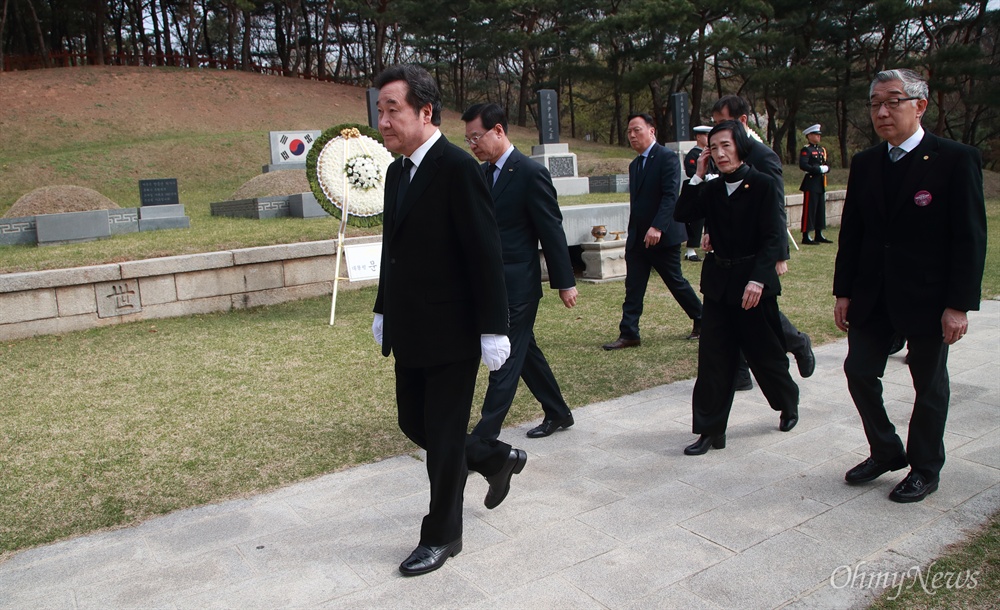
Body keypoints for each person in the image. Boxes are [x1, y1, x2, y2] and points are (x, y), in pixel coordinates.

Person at [371, 64, 521, 576]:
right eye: (380, 110)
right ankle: (491, 458)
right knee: (414, 422)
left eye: (393, 110)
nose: (384, 121)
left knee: (440, 440)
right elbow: (394, 249)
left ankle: (442, 536)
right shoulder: (397, 171)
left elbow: (484, 252)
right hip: (410, 327)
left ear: (425, 111)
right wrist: (382, 307)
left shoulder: (457, 168)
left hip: (453, 332)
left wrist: (494, 327)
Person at [834, 68, 986, 503]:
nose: (882, 111)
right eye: (875, 103)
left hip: (928, 295)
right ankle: (886, 451)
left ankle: (924, 467)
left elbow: (970, 238)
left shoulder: (955, 159)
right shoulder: (866, 163)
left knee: (929, 383)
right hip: (873, 293)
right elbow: (854, 233)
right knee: (859, 371)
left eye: (893, 101)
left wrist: (958, 305)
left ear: (919, 106)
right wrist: (844, 291)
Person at [675, 120, 800, 455]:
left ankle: (788, 403)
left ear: (741, 146)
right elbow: (683, 212)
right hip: (719, 286)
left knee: (765, 355)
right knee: (713, 360)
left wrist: (758, 279)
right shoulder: (713, 188)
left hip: (753, 284)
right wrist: (698, 174)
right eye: (713, 148)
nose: (719, 153)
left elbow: (773, 236)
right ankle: (710, 430)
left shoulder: (761, 184)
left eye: (726, 145)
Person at [460, 102, 578, 442]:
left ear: (499, 130)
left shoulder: (529, 172)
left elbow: (551, 230)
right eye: (468, 140)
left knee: (505, 359)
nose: (473, 145)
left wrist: (565, 282)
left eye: (477, 137)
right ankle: (558, 411)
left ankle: (482, 439)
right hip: (489, 284)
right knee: (526, 353)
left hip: (519, 284)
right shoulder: (482, 174)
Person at [709, 96, 816, 389]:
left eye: (722, 124)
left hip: (758, 252)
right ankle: (740, 373)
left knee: (757, 310)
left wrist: (779, 255)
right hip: (729, 250)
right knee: (733, 307)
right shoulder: (722, 154)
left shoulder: (763, 157)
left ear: (741, 122)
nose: (717, 134)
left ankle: (797, 342)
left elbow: (775, 209)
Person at [602, 113, 703, 350]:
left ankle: (702, 319)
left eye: (637, 130)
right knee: (633, 286)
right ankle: (629, 333)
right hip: (638, 238)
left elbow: (670, 196)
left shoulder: (667, 158)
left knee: (675, 282)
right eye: (629, 132)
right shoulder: (635, 164)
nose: (632, 135)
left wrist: (657, 226)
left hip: (663, 236)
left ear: (651, 130)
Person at [682, 125, 714, 262]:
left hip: (711, 190)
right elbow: (691, 172)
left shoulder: (711, 153)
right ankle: (690, 250)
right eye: (706, 136)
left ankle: (711, 246)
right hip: (698, 190)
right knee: (696, 221)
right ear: (698, 137)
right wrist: (705, 176)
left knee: (711, 220)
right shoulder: (693, 154)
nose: (708, 139)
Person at [798, 124, 831, 244]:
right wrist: (818, 169)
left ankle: (819, 233)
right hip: (811, 182)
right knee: (809, 210)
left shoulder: (821, 150)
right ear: (809, 136)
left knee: (819, 210)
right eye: (816, 135)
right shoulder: (806, 150)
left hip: (820, 182)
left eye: (819, 135)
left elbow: (826, 163)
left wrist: (826, 168)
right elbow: (803, 165)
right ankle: (806, 235)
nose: (818, 137)